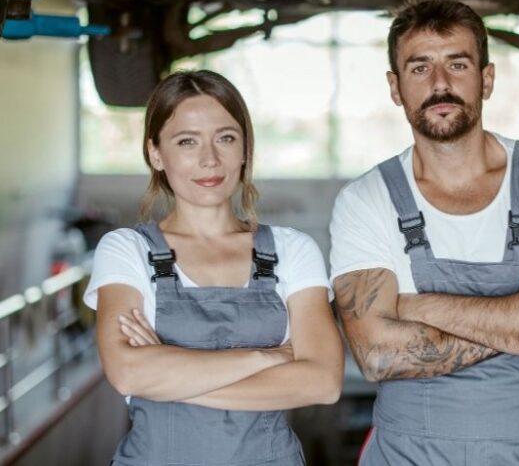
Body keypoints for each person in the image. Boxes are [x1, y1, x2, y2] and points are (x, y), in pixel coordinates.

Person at [329, 0, 519, 465]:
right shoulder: (366, 199)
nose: (440, 84)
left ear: (487, 78)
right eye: (420, 68)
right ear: (395, 88)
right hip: (406, 456)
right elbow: (377, 355)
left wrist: (418, 308)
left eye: (457, 64)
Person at [83, 70, 343, 466]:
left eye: (225, 138)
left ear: (244, 150)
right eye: (187, 141)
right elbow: (128, 374)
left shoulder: (293, 250)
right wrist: (263, 357)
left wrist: (170, 374)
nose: (210, 159)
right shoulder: (126, 250)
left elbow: (322, 383)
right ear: (155, 154)